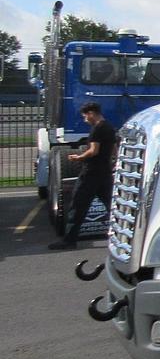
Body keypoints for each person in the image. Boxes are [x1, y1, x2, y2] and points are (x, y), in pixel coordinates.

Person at [48, 102, 116, 251]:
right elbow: (114, 150)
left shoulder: (97, 129)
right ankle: (122, 234)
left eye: (85, 117)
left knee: (77, 206)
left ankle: (69, 240)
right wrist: (114, 163)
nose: (85, 120)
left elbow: (93, 150)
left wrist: (78, 157)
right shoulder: (109, 128)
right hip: (105, 173)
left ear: (91, 113)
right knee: (112, 205)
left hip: (90, 173)